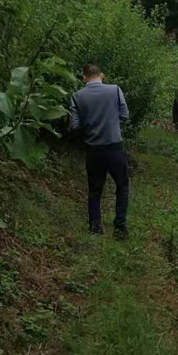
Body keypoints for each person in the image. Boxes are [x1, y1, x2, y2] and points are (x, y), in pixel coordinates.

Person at [69, 63, 130, 240]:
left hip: (93, 150)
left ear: (84, 77)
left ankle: (95, 227)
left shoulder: (77, 96)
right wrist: (110, 123)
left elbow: (74, 125)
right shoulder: (115, 90)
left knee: (95, 189)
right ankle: (119, 228)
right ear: (101, 76)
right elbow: (124, 115)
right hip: (114, 147)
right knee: (122, 186)